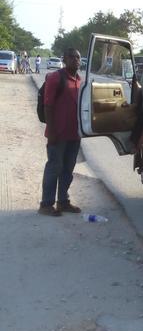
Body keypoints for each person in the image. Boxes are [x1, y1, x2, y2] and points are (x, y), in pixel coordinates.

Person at [39, 48, 83, 216]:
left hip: (74, 134)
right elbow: (48, 106)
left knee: (67, 170)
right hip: (58, 134)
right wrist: (51, 131)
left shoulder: (79, 80)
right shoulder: (56, 78)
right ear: (64, 59)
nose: (76, 60)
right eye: (72, 57)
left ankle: (63, 202)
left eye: (78, 57)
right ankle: (46, 205)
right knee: (54, 168)